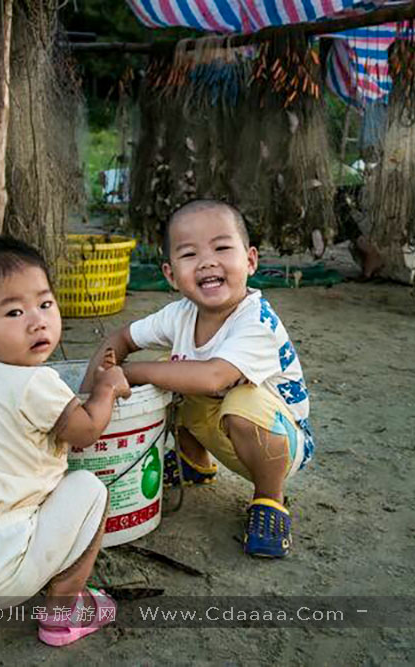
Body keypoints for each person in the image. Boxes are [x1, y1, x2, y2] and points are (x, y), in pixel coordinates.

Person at [0, 236, 131, 646]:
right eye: (14, 311)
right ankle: (63, 610)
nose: (37, 321)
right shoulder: (35, 381)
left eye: (45, 304)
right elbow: (86, 430)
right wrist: (106, 389)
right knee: (89, 489)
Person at [81, 200, 314, 558]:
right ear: (171, 275)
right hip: (224, 429)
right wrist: (89, 394)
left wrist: (126, 373)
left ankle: (270, 501)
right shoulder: (179, 315)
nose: (207, 261)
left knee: (227, 394)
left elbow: (213, 376)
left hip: (279, 445)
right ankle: (194, 463)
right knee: (169, 369)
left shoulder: (256, 322)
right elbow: (121, 338)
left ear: (250, 261)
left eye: (221, 248)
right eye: (189, 254)